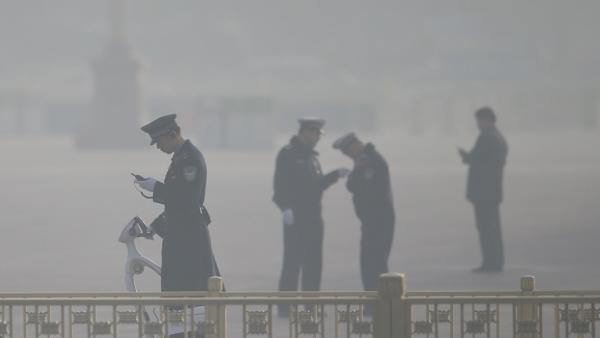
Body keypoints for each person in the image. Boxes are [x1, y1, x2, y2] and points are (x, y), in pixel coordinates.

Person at [136, 114, 221, 337]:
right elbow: (177, 206)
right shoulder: (180, 159)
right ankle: (177, 332)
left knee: (193, 298)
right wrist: (156, 226)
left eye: (159, 142)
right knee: (175, 296)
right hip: (180, 240)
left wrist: (156, 188)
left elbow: (188, 201)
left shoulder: (190, 160)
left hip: (190, 244)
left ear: (172, 135)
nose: (158, 147)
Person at [272, 118, 349, 316]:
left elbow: (316, 185)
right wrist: (285, 208)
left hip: (314, 219)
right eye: (316, 134)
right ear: (306, 132)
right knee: (292, 263)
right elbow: (279, 186)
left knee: (314, 264)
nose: (318, 138)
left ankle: (310, 306)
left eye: (319, 135)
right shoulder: (287, 154)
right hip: (295, 219)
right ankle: (285, 307)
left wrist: (334, 175)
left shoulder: (312, 157)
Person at [333, 133, 395, 298]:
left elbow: (355, 186)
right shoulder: (364, 159)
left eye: (347, 151)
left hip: (377, 219)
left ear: (355, 145)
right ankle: (375, 299)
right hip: (373, 219)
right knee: (371, 261)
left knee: (374, 262)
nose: (347, 155)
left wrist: (355, 173)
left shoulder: (368, 161)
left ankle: (379, 301)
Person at [458, 107, 508, 273]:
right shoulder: (499, 137)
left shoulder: (487, 137)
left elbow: (475, 157)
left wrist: (465, 156)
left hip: (483, 192)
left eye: (479, 120)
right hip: (493, 190)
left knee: (486, 228)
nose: (478, 124)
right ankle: (496, 260)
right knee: (493, 228)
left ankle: (490, 262)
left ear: (487, 120)